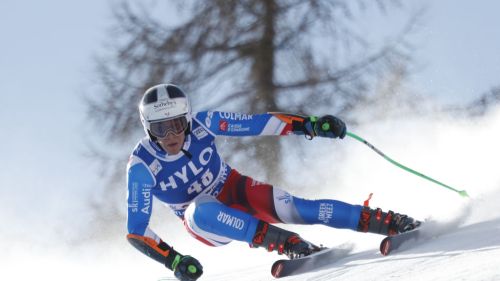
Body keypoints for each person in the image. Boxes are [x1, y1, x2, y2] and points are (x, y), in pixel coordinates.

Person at [126, 84, 420, 281]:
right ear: (147, 129)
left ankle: (390, 221)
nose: (171, 136)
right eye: (159, 129)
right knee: (199, 209)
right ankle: (290, 244)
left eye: (176, 124)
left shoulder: (205, 123)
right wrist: (174, 262)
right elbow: (137, 231)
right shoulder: (141, 166)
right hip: (207, 224)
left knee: (296, 208)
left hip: (234, 188)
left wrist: (311, 125)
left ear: (187, 119)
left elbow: (258, 123)